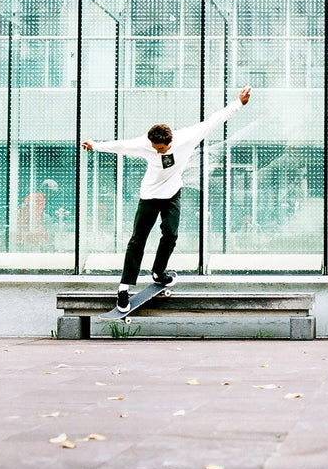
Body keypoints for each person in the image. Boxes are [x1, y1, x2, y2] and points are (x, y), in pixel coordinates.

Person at [82, 86, 252, 312]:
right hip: (149, 196)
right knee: (137, 240)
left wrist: (239, 103)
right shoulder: (145, 144)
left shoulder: (186, 138)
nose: (158, 152)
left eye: (161, 148)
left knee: (170, 234)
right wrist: (95, 145)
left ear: (170, 140)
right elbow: (121, 145)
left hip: (172, 194)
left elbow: (214, 120)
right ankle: (123, 288)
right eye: (155, 148)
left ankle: (158, 272)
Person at [16, 179, 59, 248]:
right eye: (52, 192)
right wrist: (43, 233)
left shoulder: (33, 196)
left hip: (22, 228)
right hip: (26, 229)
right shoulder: (40, 199)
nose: (51, 195)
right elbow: (34, 218)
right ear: (48, 191)